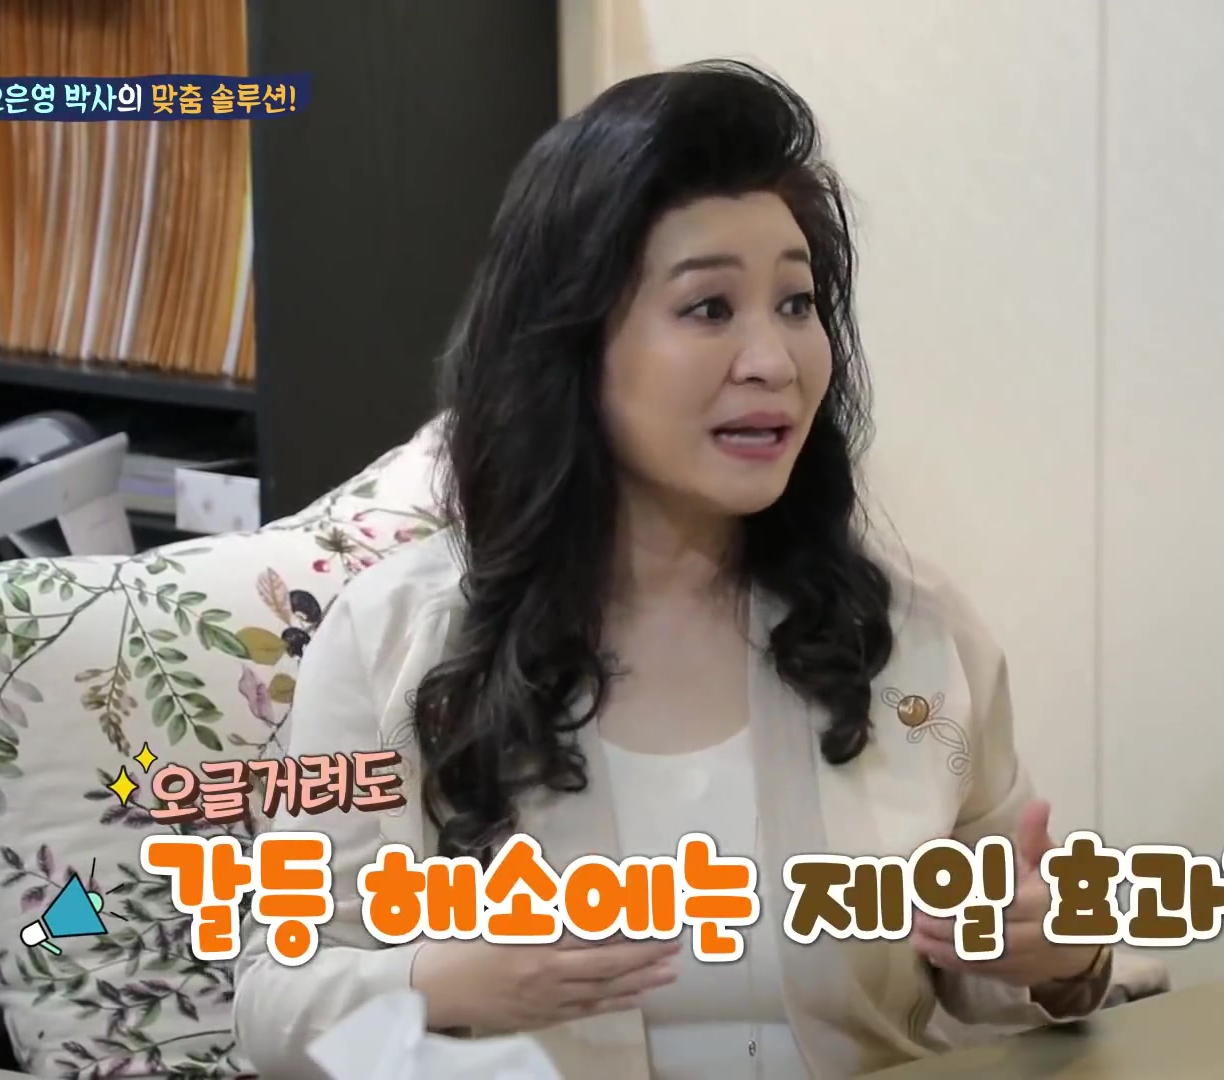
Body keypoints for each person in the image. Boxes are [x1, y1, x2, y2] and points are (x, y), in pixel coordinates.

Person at [233, 59, 1112, 1080]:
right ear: (572, 344)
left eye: (796, 303)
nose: (774, 361)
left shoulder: (906, 631)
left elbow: (1014, 959)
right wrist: (444, 982)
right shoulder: (399, 641)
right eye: (709, 308)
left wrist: (1061, 955)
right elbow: (276, 1004)